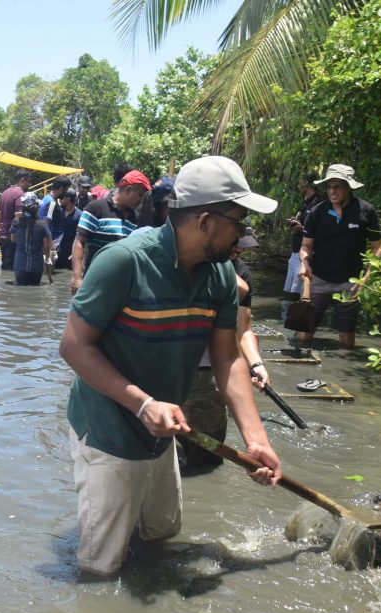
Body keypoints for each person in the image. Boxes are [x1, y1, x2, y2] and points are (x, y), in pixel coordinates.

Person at [59, 155, 282, 577]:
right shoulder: (123, 262)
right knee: (101, 568)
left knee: (162, 534)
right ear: (205, 221)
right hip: (109, 427)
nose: (245, 234)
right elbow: (73, 346)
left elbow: (226, 357)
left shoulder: (219, 276)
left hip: (164, 428)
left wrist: (256, 440)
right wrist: (143, 404)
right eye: (240, 220)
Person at [177, 230, 270, 469]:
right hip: (173, 364)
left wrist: (256, 364)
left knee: (207, 455)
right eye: (235, 246)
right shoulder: (189, 258)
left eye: (242, 249)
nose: (238, 252)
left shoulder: (241, 272)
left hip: (208, 370)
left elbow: (244, 328)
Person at [298, 164, 381, 347]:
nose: (332, 191)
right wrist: (305, 262)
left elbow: (377, 247)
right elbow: (305, 245)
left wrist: (365, 279)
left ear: (348, 187)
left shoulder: (366, 211)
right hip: (319, 279)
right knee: (305, 333)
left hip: (350, 282)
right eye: (329, 187)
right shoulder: (317, 212)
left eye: (337, 187)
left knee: (346, 338)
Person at [70, 169, 150, 295]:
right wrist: (77, 277)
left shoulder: (136, 218)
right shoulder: (96, 208)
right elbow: (79, 242)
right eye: (140, 195)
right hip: (95, 283)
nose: (141, 200)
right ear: (128, 190)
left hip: (122, 288)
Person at [284, 174, 324, 296]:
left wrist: (301, 228)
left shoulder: (319, 204)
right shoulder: (306, 203)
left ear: (307, 183)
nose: (298, 186)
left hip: (305, 253)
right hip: (296, 250)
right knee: (289, 292)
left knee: (299, 293)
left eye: (300, 183)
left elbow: (320, 228)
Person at [11, 191, 52, 286]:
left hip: (19, 265)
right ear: (36, 208)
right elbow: (47, 245)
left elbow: (13, 239)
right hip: (36, 266)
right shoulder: (42, 225)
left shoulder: (16, 222)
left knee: (21, 291)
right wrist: (47, 258)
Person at [0, 169, 33, 270]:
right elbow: (19, 216)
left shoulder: (4, 193)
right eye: (29, 182)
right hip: (11, 237)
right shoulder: (20, 195)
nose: (30, 185)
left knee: (5, 264)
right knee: (11, 269)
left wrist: (0, 230)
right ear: (22, 181)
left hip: (1, 235)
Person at [53, 188, 81, 269]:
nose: (60, 200)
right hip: (57, 253)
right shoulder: (59, 212)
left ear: (67, 199)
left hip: (70, 254)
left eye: (62, 198)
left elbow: (80, 236)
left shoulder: (79, 215)